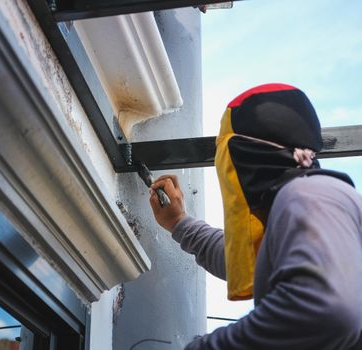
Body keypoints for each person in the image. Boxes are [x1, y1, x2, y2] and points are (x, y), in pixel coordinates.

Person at [149, 83, 362, 350]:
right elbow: (246, 258)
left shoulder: (309, 195)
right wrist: (178, 222)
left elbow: (324, 313)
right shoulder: (314, 199)